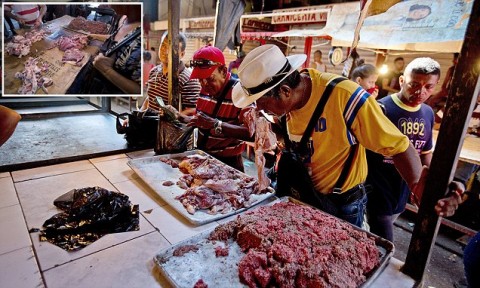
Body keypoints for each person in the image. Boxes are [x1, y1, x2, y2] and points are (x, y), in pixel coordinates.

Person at [231, 44, 426, 228]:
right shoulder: (285, 107)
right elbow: (292, 138)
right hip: (302, 195)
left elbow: (399, 147)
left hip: (342, 206)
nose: (258, 108)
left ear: (285, 91)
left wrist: (417, 188)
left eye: (260, 101)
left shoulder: (344, 97)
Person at [366, 57, 440, 241]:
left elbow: (425, 153)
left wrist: (427, 183)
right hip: (378, 189)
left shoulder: (428, 113)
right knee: (385, 242)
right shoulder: (380, 109)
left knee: (378, 238)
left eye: (428, 87)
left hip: (404, 190)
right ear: (401, 81)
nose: (421, 91)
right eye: (414, 84)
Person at [169, 46, 255, 172]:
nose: (204, 84)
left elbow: (252, 133)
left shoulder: (241, 92)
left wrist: (216, 124)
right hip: (203, 158)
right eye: (200, 79)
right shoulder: (204, 89)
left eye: (210, 78)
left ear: (223, 71)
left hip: (228, 164)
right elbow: (203, 122)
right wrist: (182, 118)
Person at [140, 32, 201, 116]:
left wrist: (174, 116)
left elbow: (193, 110)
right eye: (163, 45)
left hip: (170, 129)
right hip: (150, 126)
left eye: (172, 49)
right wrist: (138, 115)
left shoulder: (189, 79)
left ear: (182, 54)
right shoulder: (154, 71)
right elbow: (149, 99)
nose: (165, 51)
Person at [92, 17, 141, 94]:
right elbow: (115, 39)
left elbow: (140, 91)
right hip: (97, 86)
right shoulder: (124, 19)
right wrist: (94, 36)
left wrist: (106, 70)